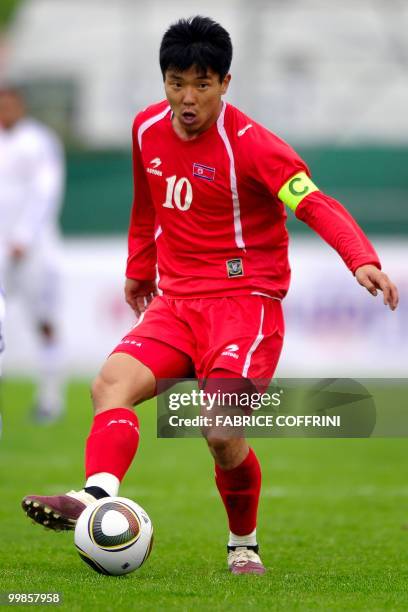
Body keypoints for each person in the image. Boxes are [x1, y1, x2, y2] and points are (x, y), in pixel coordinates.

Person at [22, 17, 399, 574]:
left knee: (221, 431)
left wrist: (361, 256)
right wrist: (139, 268)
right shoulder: (146, 127)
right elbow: (146, 204)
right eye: (177, 82)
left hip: (246, 305)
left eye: (202, 84)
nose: (188, 97)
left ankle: (242, 544)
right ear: (164, 81)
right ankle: (97, 497)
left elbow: (313, 201)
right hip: (175, 304)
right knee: (110, 384)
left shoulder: (255, 146)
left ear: (226, 82)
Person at [0, 86, 65, 422]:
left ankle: (50, 397)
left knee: (44, 319)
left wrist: (24, 234)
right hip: (1, 248)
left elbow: (46, 190)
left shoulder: (39, 141)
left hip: (35, 247)